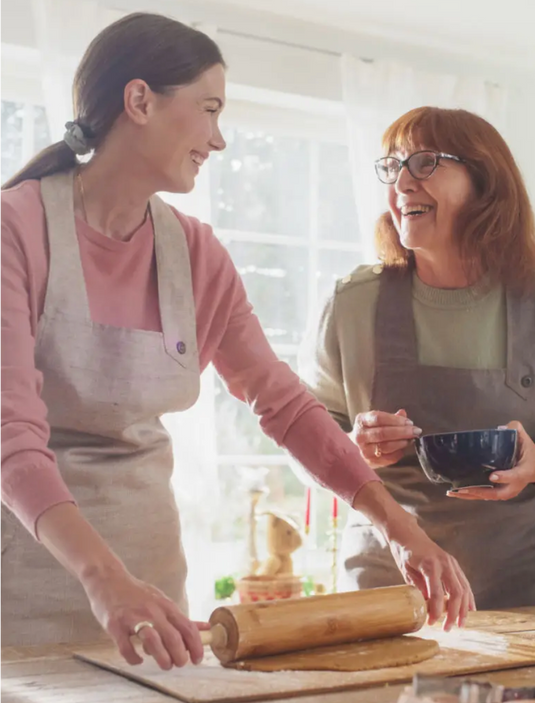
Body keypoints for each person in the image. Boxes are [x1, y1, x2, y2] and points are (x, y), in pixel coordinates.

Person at [0, 15, 472, 669]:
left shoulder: (196, 254)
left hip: (152, 589)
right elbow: (12, 437)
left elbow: (283, 405)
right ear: (139, 101)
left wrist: (400, 528)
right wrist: (103, 579)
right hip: (24, 589)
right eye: (209, 109)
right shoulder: (16, 228)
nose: (219, 139)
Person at [301, 105, 535, 611]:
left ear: (485, 181)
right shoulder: (352, 302)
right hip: (387, 594)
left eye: (425, 163)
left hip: (523, 595)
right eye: (392, 167)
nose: (402, 183)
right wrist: (351, 446)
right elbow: (301, 440)